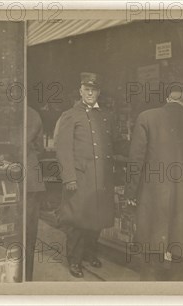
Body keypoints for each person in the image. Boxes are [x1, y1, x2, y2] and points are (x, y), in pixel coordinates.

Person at [125, 90, 183, 281]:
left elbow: (135, 160)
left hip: (154, 197)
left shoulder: (146, 117)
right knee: (182, 259)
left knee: (152, 256)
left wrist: (131, 193)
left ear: (167, 98)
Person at [53, 72, 119, 278]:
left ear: (98, 92)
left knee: (97, 220)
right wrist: (69, 177)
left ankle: (90, 253)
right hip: (80, 179)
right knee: (77, 222)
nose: (90, 93)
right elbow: (63, 149)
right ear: (81, 91)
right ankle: (74, 260)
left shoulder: (105, 115)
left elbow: (113, 145)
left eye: (94, 90)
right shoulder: (70, 115)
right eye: (87, 89)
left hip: (101, 179)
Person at [25, 106, 46, 281]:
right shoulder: (33, 114)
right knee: (29, 232)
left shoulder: (6, 111)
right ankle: (27, 277)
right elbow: (39, 148)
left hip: (6, 176)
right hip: (31, 180)